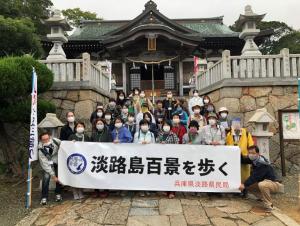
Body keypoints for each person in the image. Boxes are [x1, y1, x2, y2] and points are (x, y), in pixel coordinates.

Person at [239, 145, 283, 212]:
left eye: (253, 153)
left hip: (274, 183)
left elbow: (255, 177)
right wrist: (239, 152)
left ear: (257, 154)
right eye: (249, 153)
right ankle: (262, 197)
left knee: (261, 185)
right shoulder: (255, 160)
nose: (251, 155)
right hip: (265, 182)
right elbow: (243, 160)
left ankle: (269, 205)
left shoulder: (262, 163)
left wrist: (244, 185)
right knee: (249, 185)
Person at [226, 118, 254, 183]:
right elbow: (227, 144)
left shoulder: (246, 133)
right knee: (233, 173)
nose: (236, 126)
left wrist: (250, 155)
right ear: (232, 126)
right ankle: (235, 189)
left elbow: (251, 145)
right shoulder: (229, 134)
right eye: (234, 125)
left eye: (238, 124)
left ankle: (244, 189)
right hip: (232, 157)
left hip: (244, 157)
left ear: (241, 125)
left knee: (244, 174)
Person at [38, 131, 62, 205]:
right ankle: (44, 197)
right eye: (44, 140)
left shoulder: (55, 141)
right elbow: (44, 164)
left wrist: (72, 143)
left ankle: (58, 193)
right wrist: (53, 175)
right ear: (41, 140)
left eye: (47, 138)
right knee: (46, 177)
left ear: (50, 137)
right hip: (48, 163)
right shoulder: (40, 149)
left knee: (59, 176)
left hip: (57, 160)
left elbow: (64, 144)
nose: (46, 140)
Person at [91, 118, 112, 198]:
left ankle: (106, 190)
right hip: (95, 157)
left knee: (105, 173)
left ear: (104, 124)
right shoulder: (94, 134)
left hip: (105, 156)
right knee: (96, 173)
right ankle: (96, 190)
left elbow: (110, 144)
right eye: (98, 124)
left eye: (101, 123)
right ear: (96, 125)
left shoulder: (108, 133)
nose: (99, 125)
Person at [68, 122, 90, 200]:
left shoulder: (86, 137)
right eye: (78, 126)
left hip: (83, 159)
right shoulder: (72, 136)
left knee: (82, 176)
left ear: (84, 128)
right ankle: (74, 192)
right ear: (75, 128)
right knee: (74, 175)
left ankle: (81, 191)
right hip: (74, 159)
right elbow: (67, 147)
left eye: (81, 126)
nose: (80, 127)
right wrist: (71, 143)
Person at [157, 120, 179, 199]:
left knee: (171, 174)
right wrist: (160, 143)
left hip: (171, 158)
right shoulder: (160, 134)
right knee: (164, 174)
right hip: (162, 157)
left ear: (170, 126)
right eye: (164, 125)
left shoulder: (173, 135)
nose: (166, 126)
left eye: (167, 125)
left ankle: (172, 191)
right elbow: (156, 143)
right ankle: (166, 190)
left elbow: (177, 144)